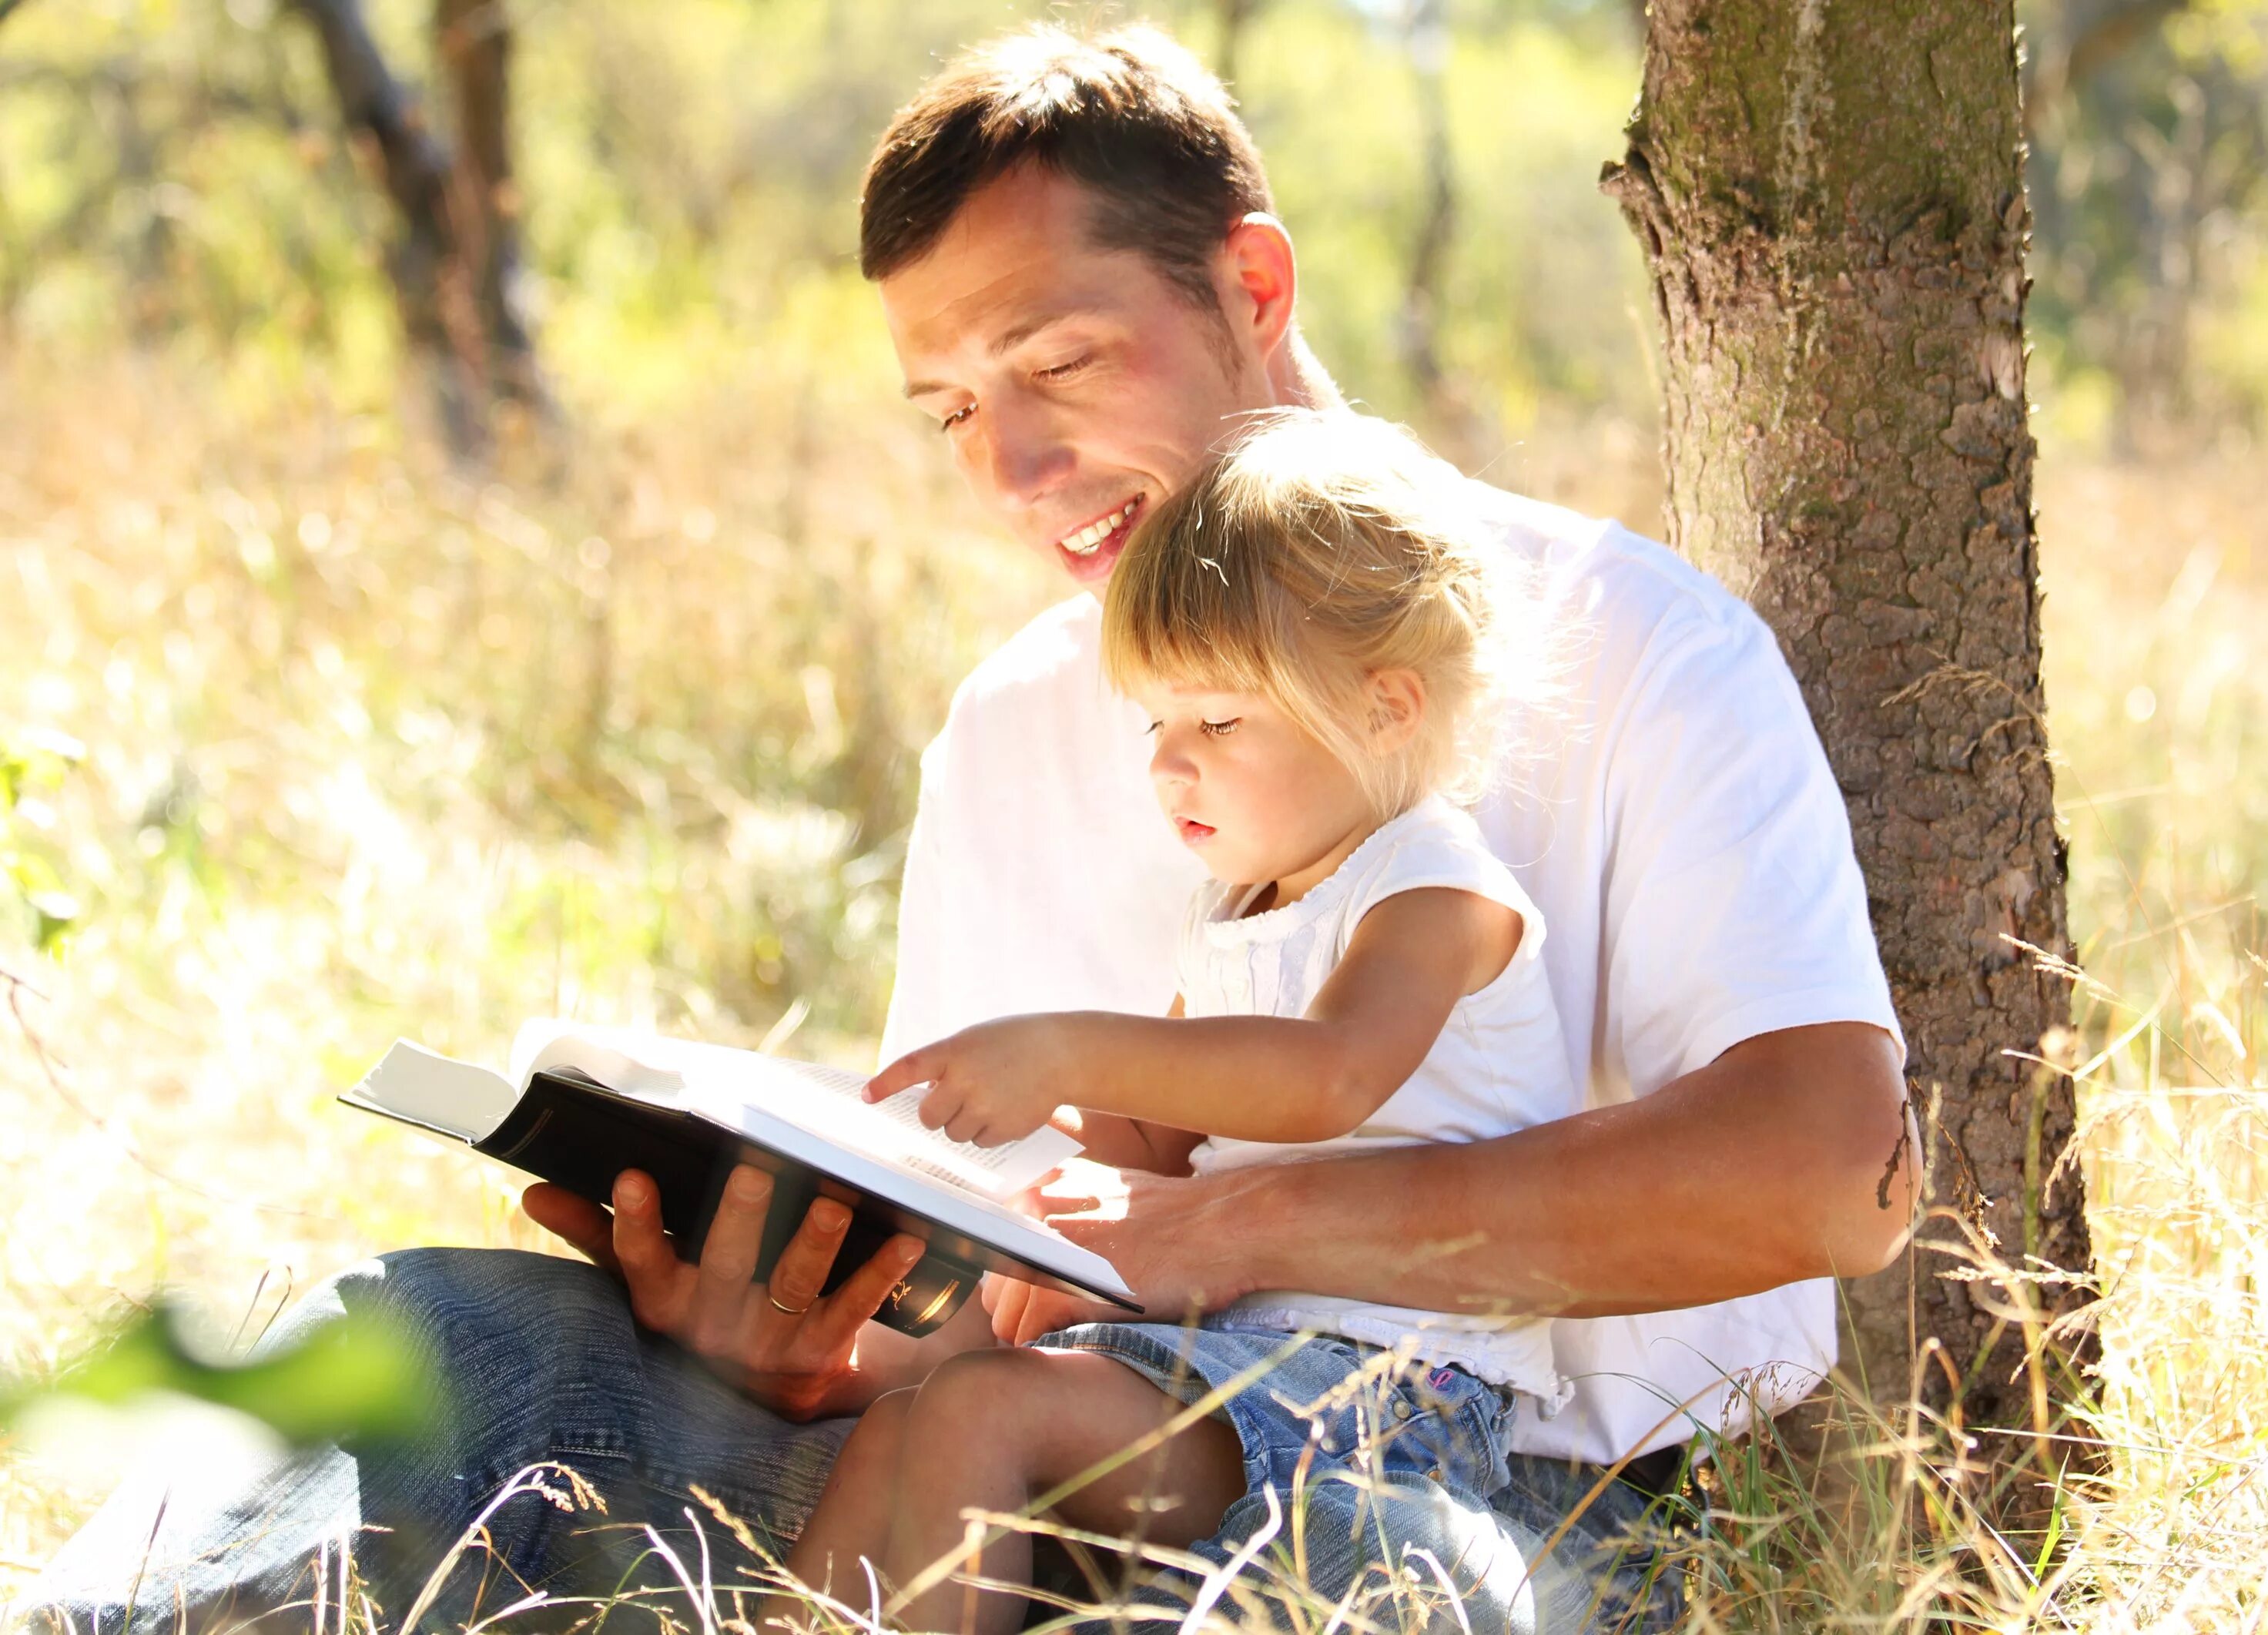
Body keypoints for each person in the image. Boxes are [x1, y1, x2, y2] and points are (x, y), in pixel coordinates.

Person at [24, 22, 1916, 1635]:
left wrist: (1238, 1225)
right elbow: (983, 1296)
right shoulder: (1018, 723)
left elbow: (1824, 1174)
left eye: (1059, 367)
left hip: (1486, 1507)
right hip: (1006, 1457)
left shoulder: (1624, 641)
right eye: (947, 411)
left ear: (1250, 292)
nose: (1008, 472)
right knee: (423, 1335)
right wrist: (792, 1344)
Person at [777, 410, 1581, 1633]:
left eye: (1219, 722)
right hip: (1247, 1364)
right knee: (913, 1420)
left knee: (985, 1415)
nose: (1168, 766)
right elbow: (1151, 1145)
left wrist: (1070, 1044)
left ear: (1385, 708)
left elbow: (1325, 1078)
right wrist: (1026, 1169)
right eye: (1156, 724)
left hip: (1399, 1400)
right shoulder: (1236, 913)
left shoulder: (1435, 892)